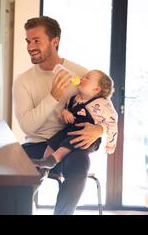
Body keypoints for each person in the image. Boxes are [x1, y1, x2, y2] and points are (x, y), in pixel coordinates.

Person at [13, 16, 116, 215]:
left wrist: (99, 129)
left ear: (55, 42)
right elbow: (27, 127)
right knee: (13, 174)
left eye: (36, 41)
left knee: (79, 168)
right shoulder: (23, 81)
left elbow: (106, 109)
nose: (30, 47)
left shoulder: (81, 75)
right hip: (37, 145)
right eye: (28, 41)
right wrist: (53, 97)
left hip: (72, 146)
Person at [32, 69, 118, 170]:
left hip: (88, 137)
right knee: (54, 140)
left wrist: (111, 144)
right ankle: (43, 166)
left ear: (96, 89)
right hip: (70, 130)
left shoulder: (103, 104)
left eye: (87, 78)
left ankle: (52, 160)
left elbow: (112, 122)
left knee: (71, 141)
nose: (82, 78)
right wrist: (65, 113)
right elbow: (65, 112)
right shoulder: (73, 99)